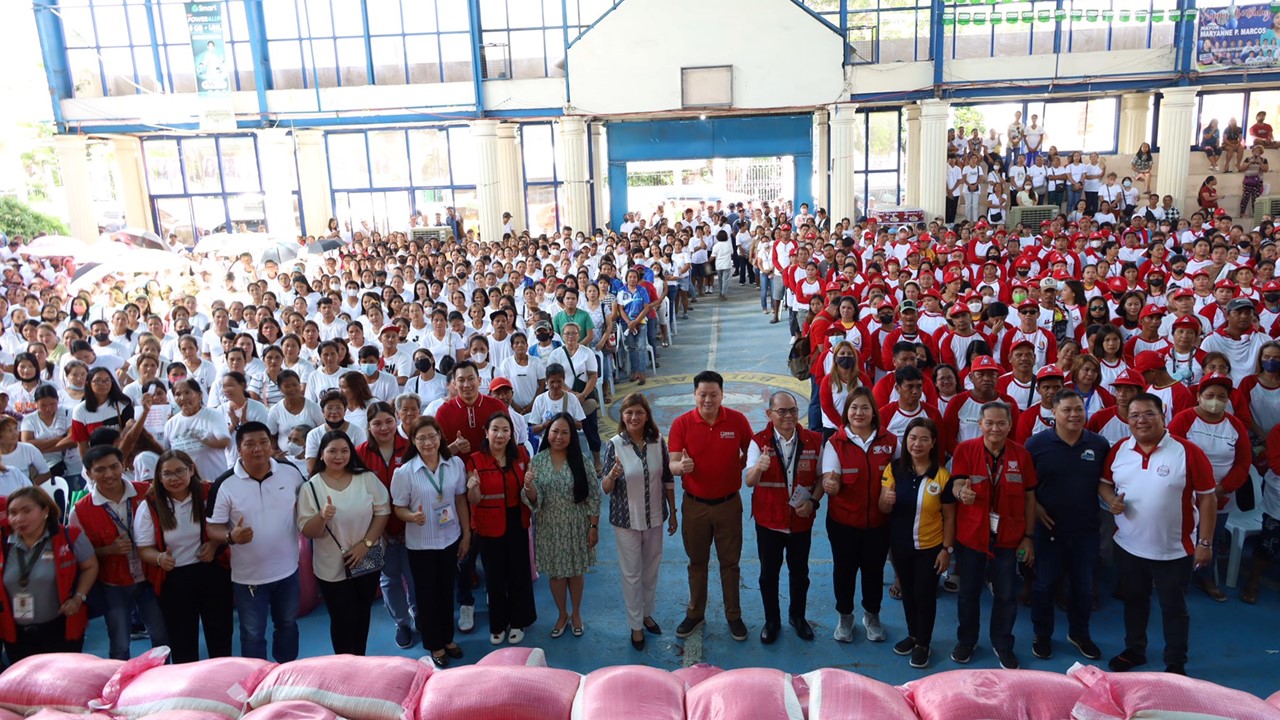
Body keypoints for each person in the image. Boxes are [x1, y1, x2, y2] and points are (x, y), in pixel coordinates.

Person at [1101, 393, 1217, 676]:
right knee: (1134, 601)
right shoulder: (1119, 449)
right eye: (1135, 415)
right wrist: (1110, 501)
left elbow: (1207, 498)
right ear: (1127, 421)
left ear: (1163, 415)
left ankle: (1176, 661)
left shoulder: (1188, 451)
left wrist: (1205, 542)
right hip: (1128, 545)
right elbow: (1104, 484)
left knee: (1173, 607)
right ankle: (1135, 650)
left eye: (1148, 414)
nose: (1141, 420)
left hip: (1173, 549)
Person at [207, 422, 307, 662]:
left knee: (288, 625)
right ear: (239, 449)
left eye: (263, 442)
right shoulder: (224, 484)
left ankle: (286, 675)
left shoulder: (290, 472)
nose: (258, 449)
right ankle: (256, 687)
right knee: (252, 635)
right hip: (248, 578)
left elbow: (306, 506)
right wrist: (231, 537)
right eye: (250, 444)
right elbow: (212, 528)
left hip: (288, 571)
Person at [949, 401, 1037, 670]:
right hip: (972, 536)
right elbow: (956, 484)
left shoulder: (1022, 456)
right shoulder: (965, 450)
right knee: (968, 593)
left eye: (1002, 423)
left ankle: (1002, 643)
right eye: (990, 423)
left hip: (1009, 538)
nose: (995, 428)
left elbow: (1030, 497)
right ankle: (967, 640)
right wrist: (961, 492)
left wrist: (1029, 537)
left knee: (1006, 594)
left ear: (1010, 425)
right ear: (980, 425)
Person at [1024, 390, 1110, 662]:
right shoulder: (1035, 445)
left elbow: (1103, 483)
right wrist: (1035, 507)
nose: (1074, 414)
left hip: (1085, 529)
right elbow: (1025, 486)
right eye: (1067, 410)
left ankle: (1080, 634)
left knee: (1083, 587)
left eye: (1078, 409)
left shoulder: (1098, 444)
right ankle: (1043, 635)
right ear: (1054, 414)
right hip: (1048, 530)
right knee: (1043, 586)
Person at [667, 370, 753, 642]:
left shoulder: (737, 421)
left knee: (731, 563)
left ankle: (733, 615)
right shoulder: (681, 424)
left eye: (713, 395)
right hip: (695, 506)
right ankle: (695, 613)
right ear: (694, 395)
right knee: (697, 562)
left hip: (729, 504)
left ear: (722, 395)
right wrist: (681, 467)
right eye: (702, 394)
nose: (708, 400)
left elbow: (752, 451)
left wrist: (737, 467)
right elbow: (672, 462)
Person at [71, 444, 169, 659]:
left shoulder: (147, 492)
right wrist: (108, 550)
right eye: (100, 470)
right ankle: (121, 687)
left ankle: (163, 683)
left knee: (161, 636)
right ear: (88, 473)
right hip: (113, 583)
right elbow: (80, 557)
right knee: (119, 642)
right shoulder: (80, 510)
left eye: (114, 466)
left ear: (124, 465)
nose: (109, 474)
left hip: (150, 577)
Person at [134, 450, 233, 663]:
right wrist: (160, 558)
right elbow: (143, 548)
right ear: (159, 477)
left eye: (180, 471)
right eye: (167, 474)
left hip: (212, 572)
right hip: (174, 578)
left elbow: (229, 526)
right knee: (182, 640)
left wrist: (215, 543)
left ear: (191, 469)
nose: (174, 478)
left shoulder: (209, 493)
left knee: (220, 634)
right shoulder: (150, 504)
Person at [746, 391, 823, 645]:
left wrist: (813, 502)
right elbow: (749, 481)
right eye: (782, 411)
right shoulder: (758, 442)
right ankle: (772, 620)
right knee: (769, 574)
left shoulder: (814, 440)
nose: (788, 416)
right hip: (769, 522)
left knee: (800, 572)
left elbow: (822, 478)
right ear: (769, 414)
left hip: (800, 521)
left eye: (792, 410)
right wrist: (760, 466)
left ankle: (798, 617)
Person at [821, 386, 897, 644]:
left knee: (874, 571)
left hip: (878, 523)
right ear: (846, 412)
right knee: (844, 570)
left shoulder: (890, 442)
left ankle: (872, 615)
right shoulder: (834, 443)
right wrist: (830, 485)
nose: (859, 412)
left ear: (874, 412)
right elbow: (829, 477)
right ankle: (845, 616)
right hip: (843, 523)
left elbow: (901, 473)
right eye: (854, 408)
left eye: (865, 407)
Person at [391, 416, 469, 667]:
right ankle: (434, 644)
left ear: (440, 437)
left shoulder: (454, 464)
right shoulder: (405, 472)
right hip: (421, 545)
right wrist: (412, 516)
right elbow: (398, 508)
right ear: (413, 441)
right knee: (426, 596)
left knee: (447, 591)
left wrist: (466, 533)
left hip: (450, 538)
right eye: (421, 437)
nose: (428, 442)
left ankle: (448, 639)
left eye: (432, 436)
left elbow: (460, 500)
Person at [601, 393, 676, 651]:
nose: (634, 417)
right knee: (632, 573)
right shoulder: (614, 445)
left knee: (651, 569)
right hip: (626, 520)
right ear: (622, 416)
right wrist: (612, 475)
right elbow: (606, 487)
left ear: (647, 415)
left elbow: (667, 477)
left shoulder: (658, 441)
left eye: (639, 412)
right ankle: (636, 625)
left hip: (655, 515)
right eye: (628, 413)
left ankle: (647, 614)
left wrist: (674, 512)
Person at [1168, 373, 1250, 603]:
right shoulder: (1184, 419)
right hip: (1185, 493)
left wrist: (1222, 489)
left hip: (1221, 495)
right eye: (1210, 395)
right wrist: (1192, 490)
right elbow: (1171, 454)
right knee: (1179, 535)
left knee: (1210, 537)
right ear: (1199, 396)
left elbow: (1244, 463)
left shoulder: (1235, 426)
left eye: (1222, 396)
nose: (1216, 400)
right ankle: (1176, 577)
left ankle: (1204, 577)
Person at [880, 417, 954, 669]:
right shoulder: (894, 469)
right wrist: (886, 501)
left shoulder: (942, 476)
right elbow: (882, 506)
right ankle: (913, 635)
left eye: (924, 439)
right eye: (913, 438)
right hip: (900, 547)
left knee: (925, 595)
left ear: (933, 443)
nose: (917, 444)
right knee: (909, 593)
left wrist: (947, 550)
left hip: (930, 547)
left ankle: (924, 642)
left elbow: (950, 516)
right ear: (906, 441)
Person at [523, 413, 601, 638]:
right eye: (555, 431)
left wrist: (593, 526)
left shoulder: (581, 460)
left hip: (576, 526)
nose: (559, 436)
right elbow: (534, 498)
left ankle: (576, 613)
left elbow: (593, 496)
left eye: (565, 432)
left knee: (575, 572)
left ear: (571, 436)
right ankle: (562, 614)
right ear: (548, 433)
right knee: (556, 574)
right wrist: (529, 487)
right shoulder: (537, 461)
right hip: (549, 527)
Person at [0, 486, 97, 661]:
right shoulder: (4, 544)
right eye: (12, 513)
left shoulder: (69, 536)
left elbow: (90, 566)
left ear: (45, 511)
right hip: (15, 633)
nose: (18, 518)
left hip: (61, 627)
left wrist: (78, 597)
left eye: (26, 510)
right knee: (25, 686)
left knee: (64, 682)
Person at [465, 412, 536, 645]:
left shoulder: (522, 455)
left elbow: (529, 493)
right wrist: (473, 487)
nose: (500, 434)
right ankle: (498, 623)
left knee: (518, 573)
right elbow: (473, 499)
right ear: (486, 432)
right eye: (495, 429)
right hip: (488, 525)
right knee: (494, 577)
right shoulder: (475, 460)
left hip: (517, 520)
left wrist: (530, 486)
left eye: (505, 430)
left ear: (511, 434)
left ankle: (519, 620)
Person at [355, 402, 416, 649]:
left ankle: (419, 614)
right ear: (369, 426)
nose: (384, 428)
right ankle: (402, 624)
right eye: (377, 423)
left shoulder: (410, 447)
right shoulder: (359, 453)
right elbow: (357, 494)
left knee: (414, 577)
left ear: (397, 420)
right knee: (388, 579)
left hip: (411, 527)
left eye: (389, 421)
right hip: (376, 533)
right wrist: (374, 532)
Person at [165, 379, 232, 483]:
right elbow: (167, 455)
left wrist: (205, 440)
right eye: (178, 394)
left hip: (215, 482)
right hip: (187, 486)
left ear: (199, 395)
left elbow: (225, 442)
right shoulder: (171, 424)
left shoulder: (213, 415)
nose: (183, 398)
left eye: (187, 392)